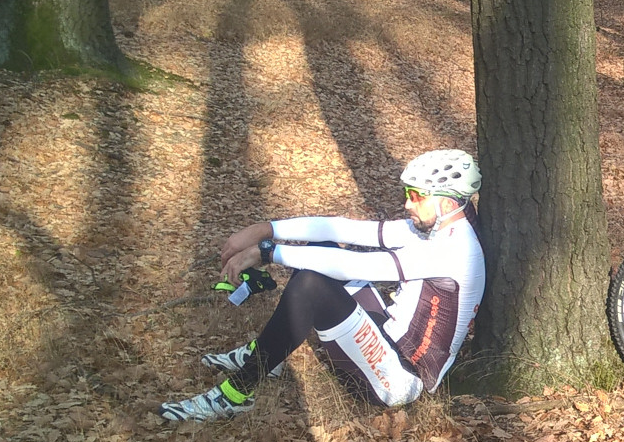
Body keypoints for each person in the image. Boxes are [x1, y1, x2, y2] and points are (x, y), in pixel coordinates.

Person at [159, 149, 485, 422]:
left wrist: (268, 252)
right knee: (324, 249)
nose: (407, 204)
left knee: (311, 286)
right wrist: (266, 229)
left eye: (415, 196)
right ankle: (265, 357)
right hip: (389, 333)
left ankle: (234, 394)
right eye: (407, 194)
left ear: (445, 204)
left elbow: (358, 266)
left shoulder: (455, 250)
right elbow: (344, 230)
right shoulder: (441, 225)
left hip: (401, 377)